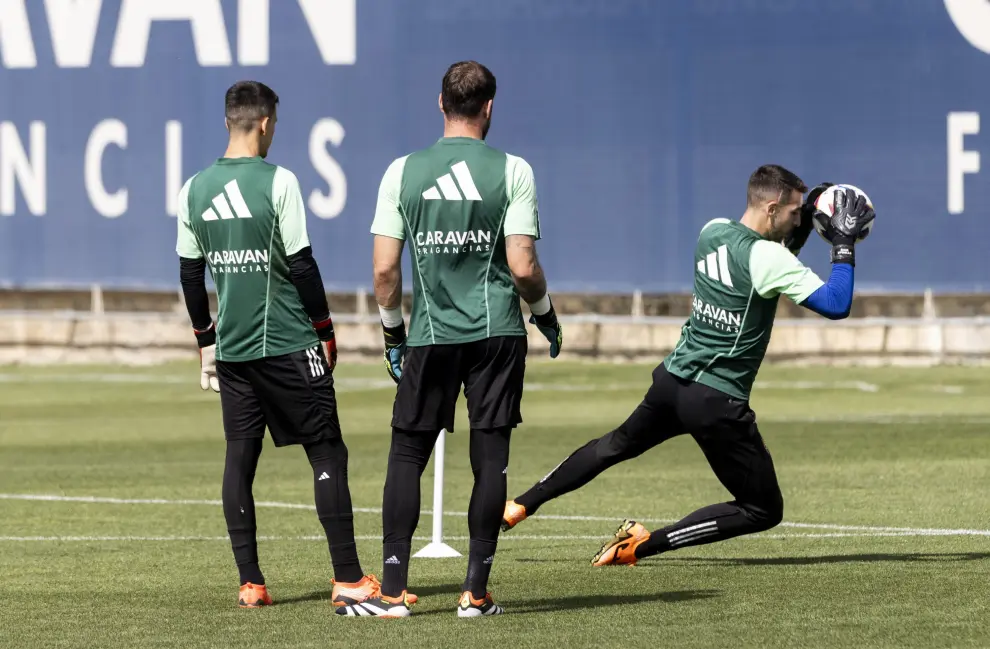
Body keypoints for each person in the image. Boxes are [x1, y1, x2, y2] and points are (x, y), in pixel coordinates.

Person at [501, 166, 874, 565]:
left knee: (613, 446)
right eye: (795, 213)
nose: (799, 220)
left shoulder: (711, 231)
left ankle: (519, 505)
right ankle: (640, 546)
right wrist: (842, 242)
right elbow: (836, 304)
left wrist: (797, 231)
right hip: (716, 398)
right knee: (763, 509)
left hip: (673, 381)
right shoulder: (767, 257)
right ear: (771, 208)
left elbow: (768, 265)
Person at [336, 61, 562, 618]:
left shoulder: (402, 172)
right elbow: (523, 263)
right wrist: (545, 314)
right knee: (490, 458)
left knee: (407, 453)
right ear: (489, 108)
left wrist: (394, 335)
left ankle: (391, 594)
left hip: (431, 335)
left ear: (440, 104)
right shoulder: (513, 170)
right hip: (497, 333)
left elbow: (385, 270)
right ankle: (475, 595)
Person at [175, 80, 383, 609]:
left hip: (235, 350)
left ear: (228, 121)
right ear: (265, 123)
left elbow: (191, 274)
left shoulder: (194, 188)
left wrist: (206, 341)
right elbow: (300, 264)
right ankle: (349, 578)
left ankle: (251, 583)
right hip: (290, 341)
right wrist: (326, 328)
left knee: (239, 461)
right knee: (326, 450)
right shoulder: (279, 181)